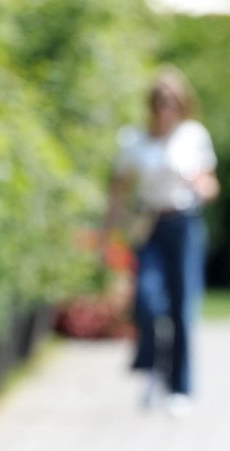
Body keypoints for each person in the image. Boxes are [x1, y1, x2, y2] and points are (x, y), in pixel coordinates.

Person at [102, 65, 219, 416]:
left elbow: (210, 184)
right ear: (151, 104)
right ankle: (152, 368)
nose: (165, 106)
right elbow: (119, 191)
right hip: (149, 225)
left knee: (183, 307)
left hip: (183, 225)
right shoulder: (134, 139)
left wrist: (201, 187)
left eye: (171, 100)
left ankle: (180, 385)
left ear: (181, 103)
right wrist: (107, 236)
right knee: (147, 300)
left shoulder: (193, 136)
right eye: (159, 100)